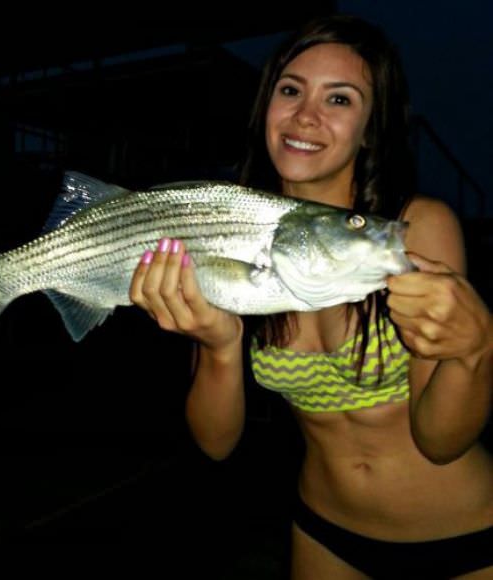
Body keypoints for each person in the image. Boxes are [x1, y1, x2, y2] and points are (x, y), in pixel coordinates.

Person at [129, 14, 493, 579]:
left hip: (466, 536)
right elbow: (217, 444)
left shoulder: (414, 227)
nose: (305, 116)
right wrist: (220, 346)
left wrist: (477, 352)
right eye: (291, 89)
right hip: (324, 534)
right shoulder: (232, 228)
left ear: (371, 127)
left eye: (340, 99)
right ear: (267, 105)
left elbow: (442, 442)